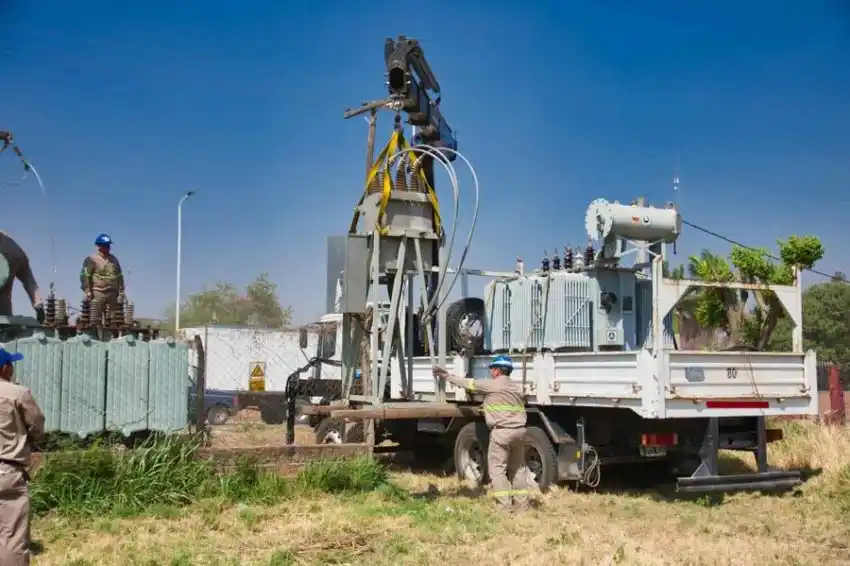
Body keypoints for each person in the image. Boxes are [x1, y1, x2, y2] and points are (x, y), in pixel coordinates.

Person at [433, 354, 533, 509]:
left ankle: (504, 506)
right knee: (518, 469)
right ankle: (522, 506)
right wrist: (487, 406)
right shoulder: (517, 387)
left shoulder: (491, 385)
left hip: (502, 433)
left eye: (492, 369)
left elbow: (467, 383)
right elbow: (505, 403)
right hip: (520, 432)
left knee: (497, 470)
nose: (490, 371)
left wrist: (446, 375)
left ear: (497, 371)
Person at [0, 347, 45, 565]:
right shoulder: (17, 394)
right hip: (6, 471)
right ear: (5, 368)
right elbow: (37, 425)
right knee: (12, 536)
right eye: (11, 365)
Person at [0, 231, 44, 321]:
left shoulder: (14, 252)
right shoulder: (15, 251)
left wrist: (38, 303)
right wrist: (38, 303)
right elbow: (28, 279)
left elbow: (27, 276)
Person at [80, 233, 126, 313]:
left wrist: (121, 292)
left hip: (112, 293)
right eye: (105, 245)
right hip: (97, 292)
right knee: (95, 316)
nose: (108, 247)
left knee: (114, 316)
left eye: (108, 245)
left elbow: (119, 276)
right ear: (99, 246)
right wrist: (87, 290)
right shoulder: (91, 259)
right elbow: (85, 276)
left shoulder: (114, 259)